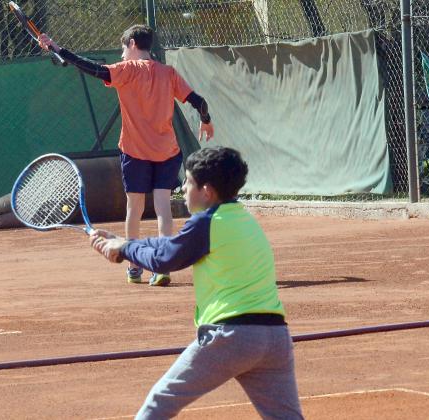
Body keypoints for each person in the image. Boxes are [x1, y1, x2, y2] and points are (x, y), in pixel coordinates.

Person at [89, 147, 304, 420]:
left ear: (206, 191)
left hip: (232, 337)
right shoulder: (242, 219)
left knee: (160, 401)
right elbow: (172, 245)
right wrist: (125, 244)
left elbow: (165, 259)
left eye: (188, 182)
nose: (183, 187)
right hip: (275, 339)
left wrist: (125, 250)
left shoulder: (207, 222)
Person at [39, 25, 214, 286]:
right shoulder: (168, 73)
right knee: (163, 207)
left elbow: (92, 69)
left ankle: (134, 266)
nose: (122, 55)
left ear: (132, 44)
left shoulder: (127, 71)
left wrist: (56, 47)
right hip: (167, 151)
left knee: (135, 207)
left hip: (134, 151)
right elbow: (199, 101)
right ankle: (162, 266)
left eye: (123, 49)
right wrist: (206, 120)